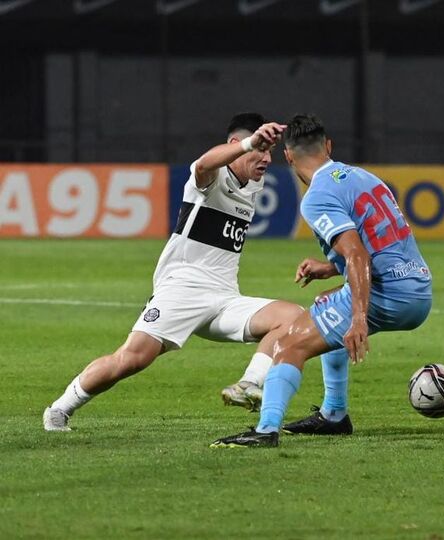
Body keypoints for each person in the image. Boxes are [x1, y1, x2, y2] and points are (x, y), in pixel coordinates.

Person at [43, 113, 304, 431]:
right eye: (259, 149)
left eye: (269, 152)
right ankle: (59, 409)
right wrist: (251, 142)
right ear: (236, 144)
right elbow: (205, 164)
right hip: (182, 289)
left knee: (292, 317)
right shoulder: (211, 178)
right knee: (131, 359)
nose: (265, 158)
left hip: (224, 298)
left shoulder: (253, 182)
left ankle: (248, 384)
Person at [211, 114, 432, 448]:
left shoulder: (317, 196)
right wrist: (329, 268)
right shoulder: (365, 177)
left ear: (287, 156)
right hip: (419, 290)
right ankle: (334, 414)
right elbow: (379, 242)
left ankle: (266, 430)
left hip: (389, 295)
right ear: (328, 146)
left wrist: (359, 316)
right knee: (326, 304)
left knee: (288, 344)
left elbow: (357, 255)